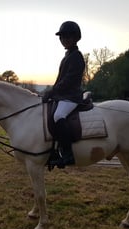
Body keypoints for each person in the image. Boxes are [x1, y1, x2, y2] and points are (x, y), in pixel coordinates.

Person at [42, 21, 85, 167]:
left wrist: (53, 91)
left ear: (75, 38)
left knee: (58, 115)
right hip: (63, 96)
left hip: (72, 96)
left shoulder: (77, 56)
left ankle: (68, 154)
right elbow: (59, 80)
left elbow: (68, 80)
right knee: (49, 114)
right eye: (62, 37)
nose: (64, 39)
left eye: (68, 36)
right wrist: (51, 92)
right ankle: (54, 152)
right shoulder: (67, 56)